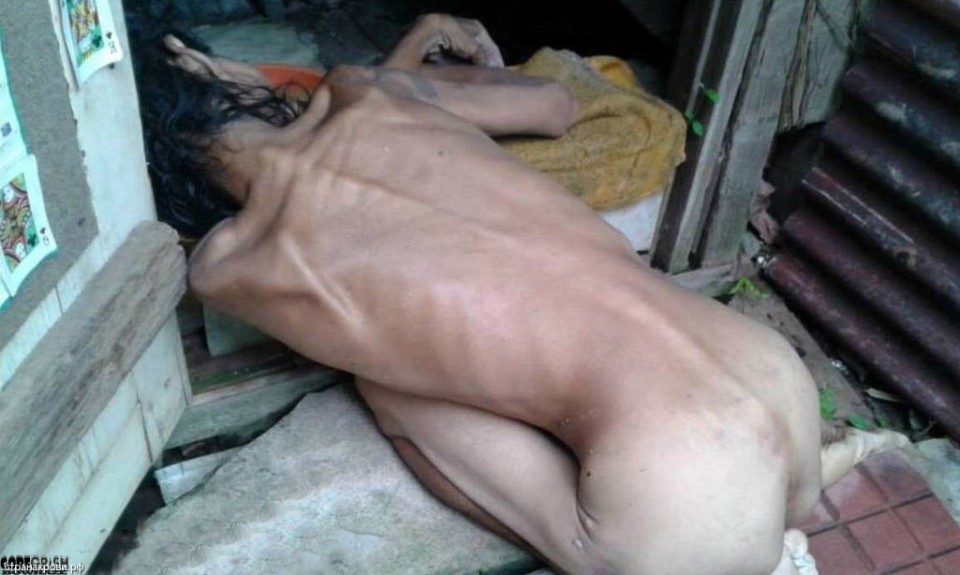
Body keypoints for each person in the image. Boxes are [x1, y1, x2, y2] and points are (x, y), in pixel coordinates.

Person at [129, 13, 908, 575]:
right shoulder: (369, 92)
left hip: (677, 499)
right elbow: (553, 105)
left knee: (384, 385)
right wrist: (402, 62)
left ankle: (747, 544)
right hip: (767, 375)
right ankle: (798, 501)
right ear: (237, 80)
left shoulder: (236, 267)